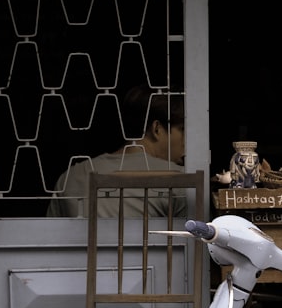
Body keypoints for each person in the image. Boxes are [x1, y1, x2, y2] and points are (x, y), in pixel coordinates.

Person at [47, 85, 188, 217]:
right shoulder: (179, 179)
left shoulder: (70, 178)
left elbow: (50, 239)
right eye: (182, 130)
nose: (187, 141)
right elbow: (194, 240)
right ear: (157, 128)